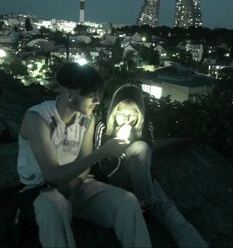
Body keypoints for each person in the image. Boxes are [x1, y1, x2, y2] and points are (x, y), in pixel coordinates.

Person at [16, 62, 152, 248]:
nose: (97, 101)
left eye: (98, 94)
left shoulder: (87, 119)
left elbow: (84, 162)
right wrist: (102, 153)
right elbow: (52, 175)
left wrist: (72, 187)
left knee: (127, 202)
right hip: (41, 191)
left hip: (77, 185)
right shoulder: (38, 119)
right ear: (69, 94)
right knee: (54, 205)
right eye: (91, 95)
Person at [94, 84, 209, 248]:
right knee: (139, 153)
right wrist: (116, 150)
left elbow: (145, 159)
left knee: (170, 211)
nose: (127, 119)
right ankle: (147, 203)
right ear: (114, 111)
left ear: (139, 113)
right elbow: (101, 167)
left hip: (142, 179)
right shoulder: (102, 126)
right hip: (115, 179)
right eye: (122, 114)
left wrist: (132, 139)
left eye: (132, 114)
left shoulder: (145, 126)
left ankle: (194, 242)